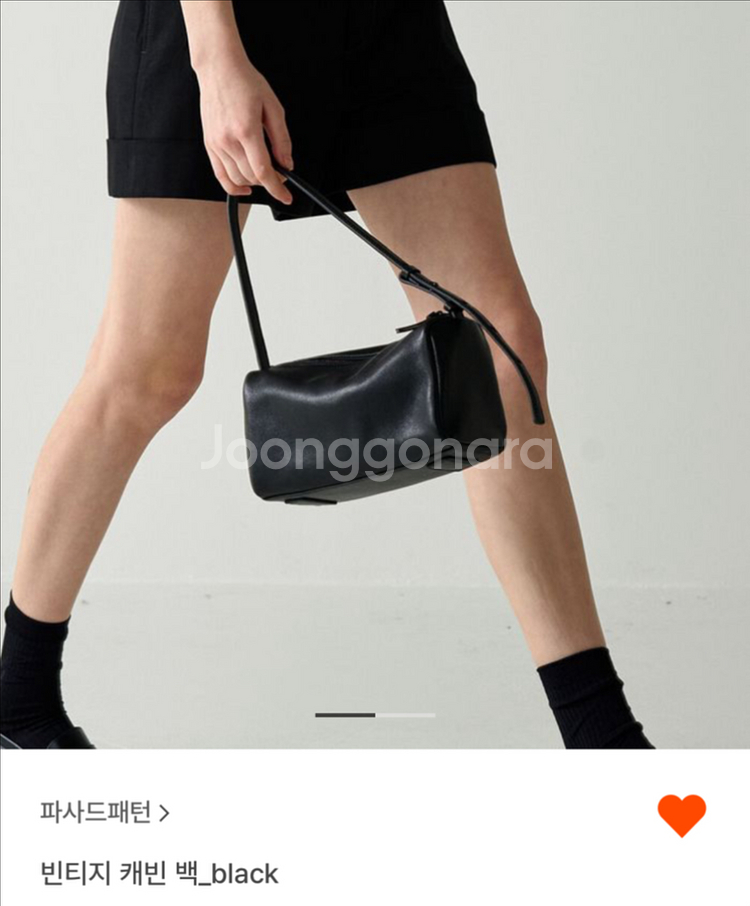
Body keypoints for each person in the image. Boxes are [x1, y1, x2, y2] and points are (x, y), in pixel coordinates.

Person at [0, 0, 653, 749]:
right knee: (145, 372)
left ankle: (601, 737)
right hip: (223, 24)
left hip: (382, 22)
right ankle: (17, 701)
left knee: (499, 355)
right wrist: (214, 56)